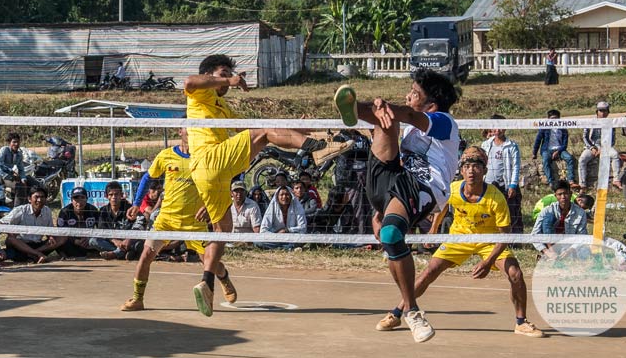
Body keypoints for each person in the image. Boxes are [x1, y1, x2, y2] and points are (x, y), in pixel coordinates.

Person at [184, 54, 352, 316]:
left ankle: (207, 282)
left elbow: (261, 131)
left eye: (229, 73)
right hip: (208, 160)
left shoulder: (223, 109)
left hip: (211, 174)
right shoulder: (199, 95)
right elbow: (191, 81)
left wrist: (296, 129)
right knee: (262, 133)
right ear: (210, 74)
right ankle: (317, 151)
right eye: (222, 73)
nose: (227, 78)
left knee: (222, 230)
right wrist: (230, 78)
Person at [333, 68, 462, 343]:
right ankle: (354, 111)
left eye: (414, 93)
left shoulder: (444, 121)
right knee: (385, 122)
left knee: (392, 236)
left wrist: (385, 107)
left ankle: (412, 311)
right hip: (392, 180)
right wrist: (379, 211)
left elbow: (411, 114)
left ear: (431, 105)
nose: (408, 95)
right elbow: (403, 117)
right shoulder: (412, 129)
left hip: (424, 186)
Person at [418, 147, 543, 337]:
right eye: (467, 166)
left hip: (491, 240)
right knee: (429, 271)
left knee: (515, 274)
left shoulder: (496, 198)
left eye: (476, 166)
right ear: (461, 171)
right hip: (459, 238)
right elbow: (442, 208)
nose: (471, 171)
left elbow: (505, 235)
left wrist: (488, 261)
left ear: (484, 171)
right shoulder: (452, 189)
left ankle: (521, 322)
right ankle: (398, 311)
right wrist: (434, 229)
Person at [120, 127, 237, 312]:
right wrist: (136, 203)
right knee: (145, 256)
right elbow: (148, 177)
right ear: (180, 132)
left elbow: (218, 187)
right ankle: (137, 298)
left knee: (209, 262)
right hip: (166, 220)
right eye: (188, 130)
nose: (192, 133)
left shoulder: (205, 158)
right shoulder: (166, 155)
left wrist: (208, 206)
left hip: (194, 223)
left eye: (196, 130)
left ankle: (223, 277)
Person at [481, 114, 524, 234]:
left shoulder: (511, 146)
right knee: (489, 212)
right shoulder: (486, 144)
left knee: (510, 212)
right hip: (488, 185)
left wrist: (512, 185)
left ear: (505, 128)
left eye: (500, 127)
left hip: (504, 185)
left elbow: (515, 166)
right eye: (495, 127)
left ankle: (512, 239)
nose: (497, 130)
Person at [0, 186, 65, 263]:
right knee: (11, 239)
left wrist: (51, 237)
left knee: (63, 237)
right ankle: (37, 254)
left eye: (42, 197)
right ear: (29, 199)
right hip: (21, 245)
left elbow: (50, 230)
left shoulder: (47, 211)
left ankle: (34, 253)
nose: (39, 200)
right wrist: (11, 232)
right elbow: (1, 223)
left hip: (38, 245)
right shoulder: (20, 210)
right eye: (36, 197)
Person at [531, 180, 588, 256]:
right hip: (550, 246)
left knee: (586, 253)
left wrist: (570, 250)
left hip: (569, 246)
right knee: (548, 217)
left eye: (565, 194)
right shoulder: (547, 210)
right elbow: (534, 235)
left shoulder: (580, 213)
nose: (563, 197)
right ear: (555, 196)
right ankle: (550, 253)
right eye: (560, 194)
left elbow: (582, 236)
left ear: (570, 194)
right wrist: (546, 251)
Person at [56, 186, 114, 258]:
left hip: (88, 242)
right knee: (57, 240)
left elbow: (101, 227)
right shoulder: (64, 212)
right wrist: (75, 241)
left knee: (96, 241)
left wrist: (89, 237)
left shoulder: (92, 210)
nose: (79, 201)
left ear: (87, 199)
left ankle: (113, 252)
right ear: (71, 200)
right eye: (76, 198)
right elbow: (60, 232)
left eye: (82, 198)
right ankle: (70, 255)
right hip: (72, 242)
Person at [97, 181, 145, 261]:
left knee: (139, 244)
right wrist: (115, 241)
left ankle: (115, 254)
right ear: (106, 196)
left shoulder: (130, 208)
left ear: (121, 195)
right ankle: (124, 252)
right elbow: (102, 229)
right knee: (93, 240)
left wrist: (129, 239)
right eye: (111, 194)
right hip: (113, 242)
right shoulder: (103, 211)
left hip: (130, 240)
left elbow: (142, 221)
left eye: (116, 194)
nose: (114, 197)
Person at [579, 102, 621, 192]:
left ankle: (616, 179)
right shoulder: (590, 122)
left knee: (615, 155)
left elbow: (613, 140)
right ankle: (582, 184)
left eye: (605, 111)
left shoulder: (610, 123)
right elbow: (585, 137)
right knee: (582, 159)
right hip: (592, 146)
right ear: (597, 112)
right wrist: (592, 148)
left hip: (605, 146)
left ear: (608, 112)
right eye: (600, 111)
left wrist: (603, 148)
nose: (602, 113)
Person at [532, 109, 576, 190]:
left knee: (569, 158)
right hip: (547, 149)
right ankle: (551, 182)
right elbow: (538, 140)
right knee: (545, 160)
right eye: (552, 119)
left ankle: (571, 180)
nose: (554, 121)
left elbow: (564, 144)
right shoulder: (544, 128)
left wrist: (558, 151)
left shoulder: (563, 129)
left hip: (560, 149)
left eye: (556, 118)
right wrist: (534, 153)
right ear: (548, 119)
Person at [0, 132, 36, 207]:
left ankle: (31, 205)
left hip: (13, 175)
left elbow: (21, 169)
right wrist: (10, 174)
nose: (16, 144)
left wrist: (23, 178)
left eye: (18, 142)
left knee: (31, 181)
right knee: (20, 186)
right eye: (14, 142)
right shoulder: (4, 150)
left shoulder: (19, 154)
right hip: (2, 176)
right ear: (9, 143)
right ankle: (17, 208)